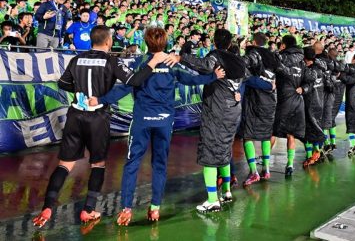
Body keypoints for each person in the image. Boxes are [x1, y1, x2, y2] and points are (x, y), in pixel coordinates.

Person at [32, 25, 170, 228]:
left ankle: (48, 207)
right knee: (98, 164)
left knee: (65, 164)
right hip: (97, 117)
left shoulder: (77, 58)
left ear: (91, 41)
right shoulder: (111, 60)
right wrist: (153, 63)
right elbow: (135, 80)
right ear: (108, 42)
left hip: (75, 116)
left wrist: (79, 90)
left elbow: (62, 83)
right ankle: (88, 210)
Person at [89, 28, 225, 225]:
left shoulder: (141, 63)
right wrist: (214, 76)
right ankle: (155, 208)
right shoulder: (171, 63)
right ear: (165, 41)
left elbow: (126, 87)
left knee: (132, 163)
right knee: (159, 164)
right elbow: (193, 80)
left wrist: (100, 100)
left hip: (142, 120)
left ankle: (126, 209)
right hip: (164, 121)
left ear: (145, 41)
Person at [170, 29, 247, 213]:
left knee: (210, 155)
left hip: (217, 112)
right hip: (234, 110)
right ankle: (227, 191)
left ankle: (213, 199)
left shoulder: (216, 57)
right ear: (230, 43)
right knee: (224, 149)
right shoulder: (239, 60)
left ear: (214, 42)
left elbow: (204, 66)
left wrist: (182, 57)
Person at [272, 35, 314, 177]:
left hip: (283, 101)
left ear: (284, 45)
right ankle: (289, 164)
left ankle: (265, 164)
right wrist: (304, 89)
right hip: (298, 102)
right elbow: (310, 80)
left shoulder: (280, 58)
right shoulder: (302, 62)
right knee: (291, 135)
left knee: (272, 132)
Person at [239, 32, 278, 186]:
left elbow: (241, 67)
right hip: (271, 101)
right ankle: (266, 169)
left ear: (254, 42)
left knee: (247, 136)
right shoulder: (274, 56)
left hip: (255, 101)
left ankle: (254, 172)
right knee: (266, 135)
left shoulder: (254, 54)